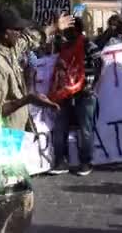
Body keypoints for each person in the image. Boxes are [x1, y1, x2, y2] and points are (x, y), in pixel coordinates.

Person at [0, 8, 72, 233]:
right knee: (11, 202)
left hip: (9, 137)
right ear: (4, 32)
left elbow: (28, 41)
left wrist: (53, 28)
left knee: (13, 202)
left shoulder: (6, 48)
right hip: (1, 139)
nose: (20, 33)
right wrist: (27, 99)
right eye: (16, 30)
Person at [48, 17, 101, 176]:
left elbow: (99, 63)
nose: (66, 33)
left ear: (76, 30)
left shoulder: (88, 45)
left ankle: (86, 162)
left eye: (69, 30)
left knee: (85, 129)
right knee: (59, 128)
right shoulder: (63, 47)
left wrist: (89, 84)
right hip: (64, 94)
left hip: (84, 94)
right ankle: (60, 161)